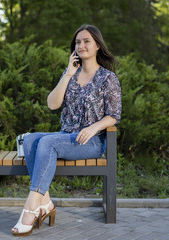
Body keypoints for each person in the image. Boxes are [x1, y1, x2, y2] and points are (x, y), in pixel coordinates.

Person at [11, 24, 122, 237]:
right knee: (30, 139)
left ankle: (31, 207)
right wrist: (68, 74)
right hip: (66, 136)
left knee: (46, 142)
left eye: (86, 41)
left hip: (90, 141)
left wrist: (94, 127)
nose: (81, 45)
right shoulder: (71, 73)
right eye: (78, 42)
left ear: (98, 45)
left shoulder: (108, 78)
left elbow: (114, 115)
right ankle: (46, 203)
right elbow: (52, 104)